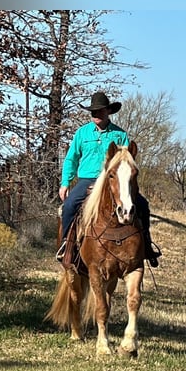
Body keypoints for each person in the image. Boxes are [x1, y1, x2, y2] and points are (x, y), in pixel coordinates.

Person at [56, 91, 161, 267]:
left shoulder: (120, 135)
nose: (96, 114)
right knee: (69, 206)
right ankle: (68, 245)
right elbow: (71, 158)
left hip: (113, 181)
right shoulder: (82, 134)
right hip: (87, 180)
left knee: (142, 205)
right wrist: (65, 182)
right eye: (93, 111)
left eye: (99, 111)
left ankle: (147, 246)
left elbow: (128, 162)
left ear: (108, 112)